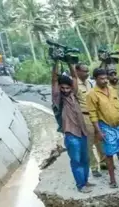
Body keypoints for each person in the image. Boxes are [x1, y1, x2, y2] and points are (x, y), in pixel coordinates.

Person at [86, 68, 119, 188]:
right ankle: (112, 180)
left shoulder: (112, 89)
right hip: (105, 126)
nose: (105, 81)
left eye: (106, 78)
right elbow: (93, 114)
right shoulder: (92, 94)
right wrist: (98, 132)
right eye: (102, 79)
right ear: (95, 79)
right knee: (109, 153)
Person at [51, 60, 92, 193]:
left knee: (85, 159)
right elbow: (53, 81)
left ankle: (85, 181)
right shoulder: (59, 99)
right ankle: (80, 185)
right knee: (76, 161)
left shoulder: (74, 95)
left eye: (67, 88)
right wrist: (55, 62)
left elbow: (74, 77)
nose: (65, 90)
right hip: (71, 134)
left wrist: (70, 63)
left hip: (82, 132)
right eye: (62, 88)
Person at [75, 62, 104, 177]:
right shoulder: (75, 85)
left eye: (88, 71)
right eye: (84, 71)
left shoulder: (90, 83)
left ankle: (103, 162)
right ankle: (93, 166)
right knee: (89, 143)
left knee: (100, 140)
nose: (87, 73)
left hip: (95, 115)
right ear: (77, 71)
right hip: (84, 116)